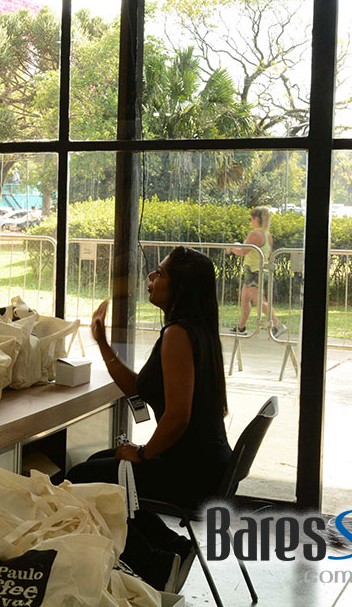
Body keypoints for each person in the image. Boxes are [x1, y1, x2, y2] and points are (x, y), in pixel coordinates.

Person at [67, 247, 233, 591]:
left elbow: (178, 418)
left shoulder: (178, 335)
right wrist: (102, 343)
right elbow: (139, 389)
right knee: (101, 463)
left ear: (179, 290)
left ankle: (155, 564)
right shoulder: (196, 329)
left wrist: (143, 454)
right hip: (203, 463)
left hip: (191, 473)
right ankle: (173, 547)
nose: (150, 278)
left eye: (160, 274)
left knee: (81, 482)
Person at [227, 206, 285, 337]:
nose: (250, 221)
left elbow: (243, 251)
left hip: (254, 271)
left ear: (256, 219)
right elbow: (268, 253)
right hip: (257, 270)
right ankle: (241, 327)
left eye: (250, 219)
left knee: (259, 301)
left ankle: (278, 325)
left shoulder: (255, 234)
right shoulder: (267, 235)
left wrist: (231, 248)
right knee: (245, 299)